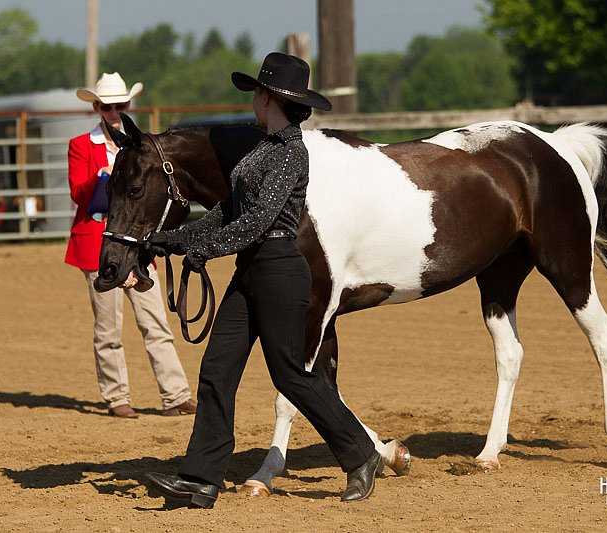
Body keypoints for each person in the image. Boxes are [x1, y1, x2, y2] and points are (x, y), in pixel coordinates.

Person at [144, 53, 381, 508]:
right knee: (217, 369)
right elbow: (227, 212)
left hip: (279, 269)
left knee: (291, 375)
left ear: (268, 97)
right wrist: (170, 241)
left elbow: (257, 221)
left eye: (255, 92)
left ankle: (361, 454)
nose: (252, 99)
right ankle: (201, 478)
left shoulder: (292, 151)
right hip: (249, 270)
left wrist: (205, 250)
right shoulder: (262, 147)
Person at [66, 72, 196, 419]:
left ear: (128, 105)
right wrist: (107, 177)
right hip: (100, 245)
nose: (114, 111)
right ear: (96, 107)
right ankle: (116, 396)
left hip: (138, 245)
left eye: (120, 105)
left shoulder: (143, 148)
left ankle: (176, 395)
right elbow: (79, 194)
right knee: (108, 327)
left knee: (155, 323)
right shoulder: (81, 146)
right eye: (107, 106)